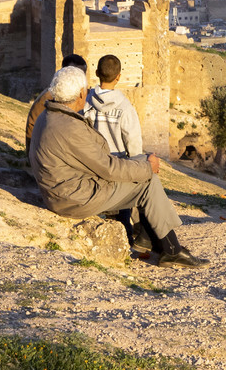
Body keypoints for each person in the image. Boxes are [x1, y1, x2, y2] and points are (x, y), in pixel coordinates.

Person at [27, 65, 208, 268]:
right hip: (75, 198)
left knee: (141, 164)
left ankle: (151, 240)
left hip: (65, 191)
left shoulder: (48, 116)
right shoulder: (69, 127)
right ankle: (172, 250)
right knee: (147, 181)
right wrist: (147, 168)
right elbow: (109, 168)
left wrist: (141, 162)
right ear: (80, 94)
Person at [84, 55, 143, 157]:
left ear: (97, 73)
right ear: (118, 77)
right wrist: (136, 162)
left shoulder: (86, 101)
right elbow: (133, 141)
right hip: (117, 162)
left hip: (91, 160)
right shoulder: (125, 107)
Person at [26, 53, 86, 150]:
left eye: (82, 74)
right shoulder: (51, 96)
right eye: (76, 73)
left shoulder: (75, 95)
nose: (80, 78)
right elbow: (33, 128)